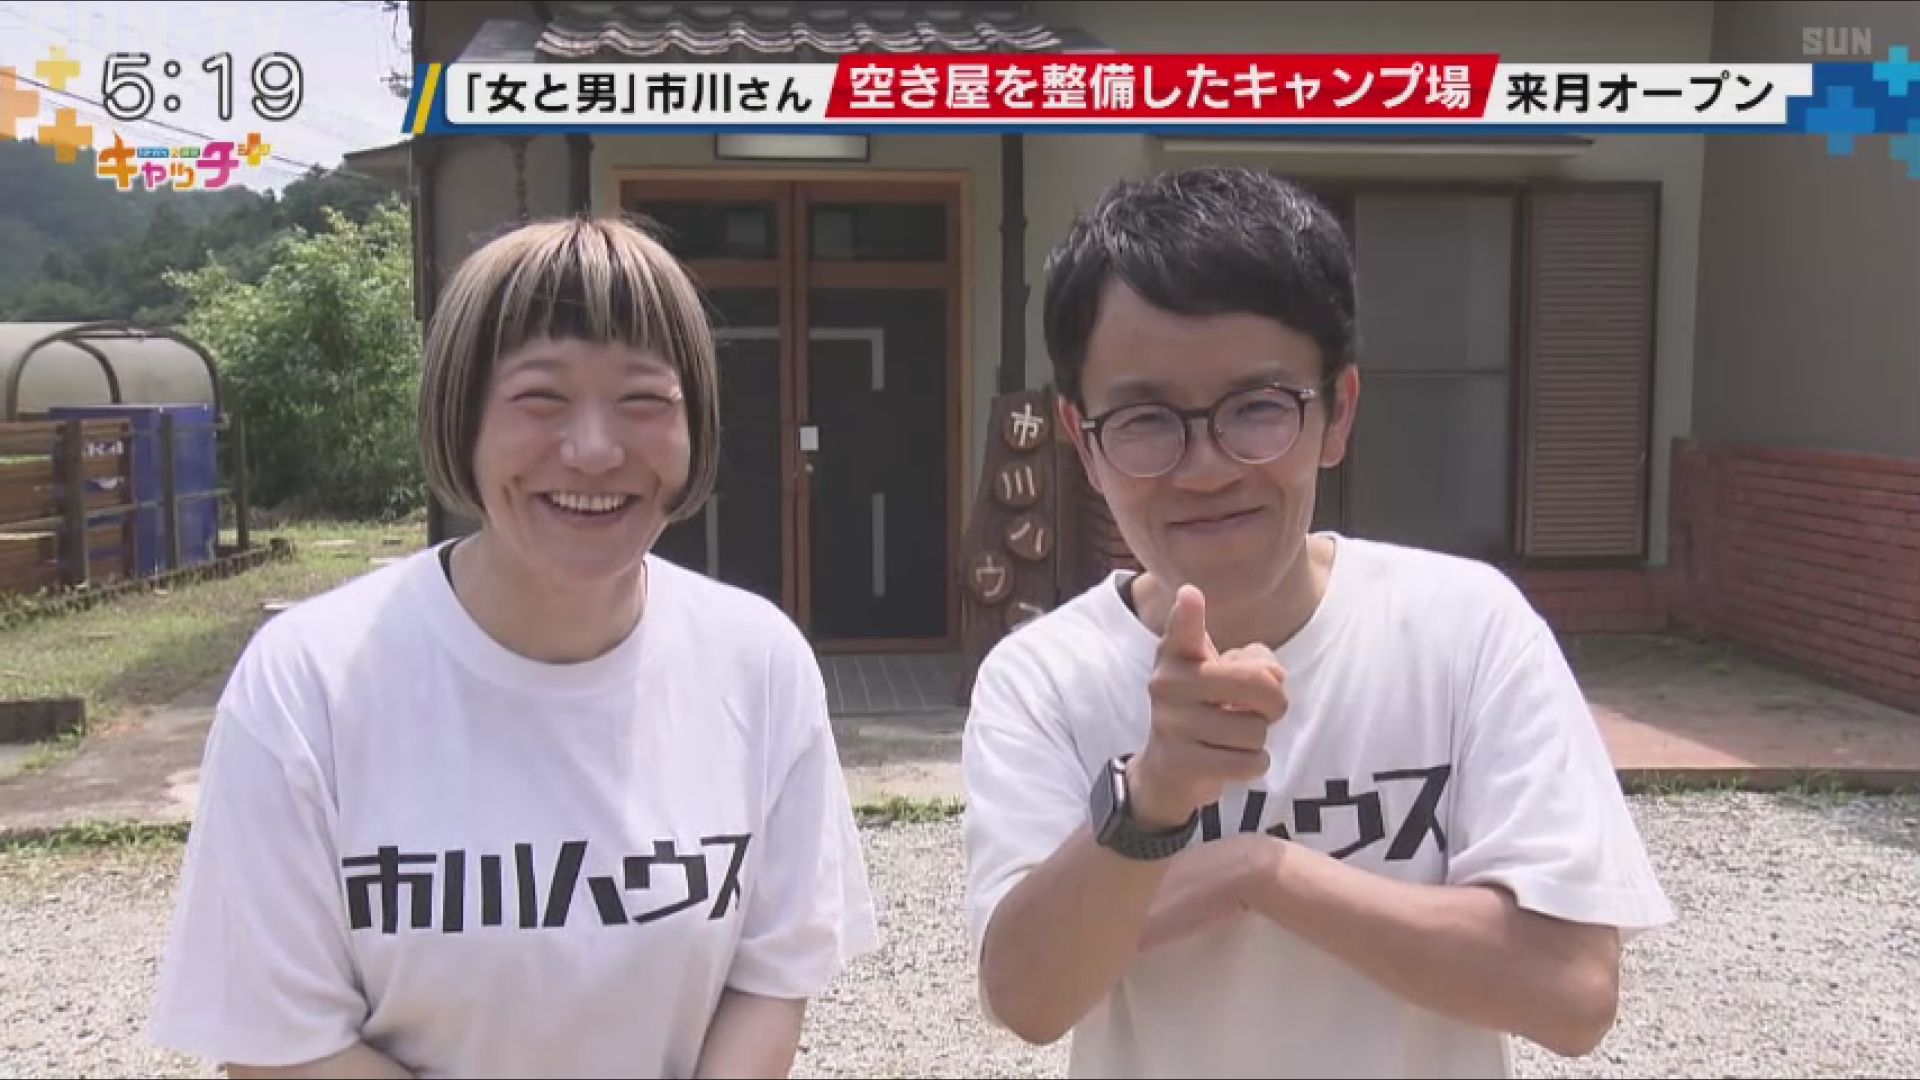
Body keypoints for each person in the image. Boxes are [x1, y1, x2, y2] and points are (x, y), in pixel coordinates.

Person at [961, 166, 1675, 1079]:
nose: (1207, 467)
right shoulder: (1043, 679)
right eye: (1145, 419)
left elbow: (1570, 990)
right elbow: (1028, 997)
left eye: (1259, 408)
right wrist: (1151, 799)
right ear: (1083, 443)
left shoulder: (1465, 629)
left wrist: (1263, 872)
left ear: (1338, 413)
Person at [147, 217, 879, 1079]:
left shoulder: (758, 664)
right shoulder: (308, 683)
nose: (595, 450)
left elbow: (770, 980)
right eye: (541, 399)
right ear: (462, 419)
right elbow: (279, 1043)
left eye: (644, 400)